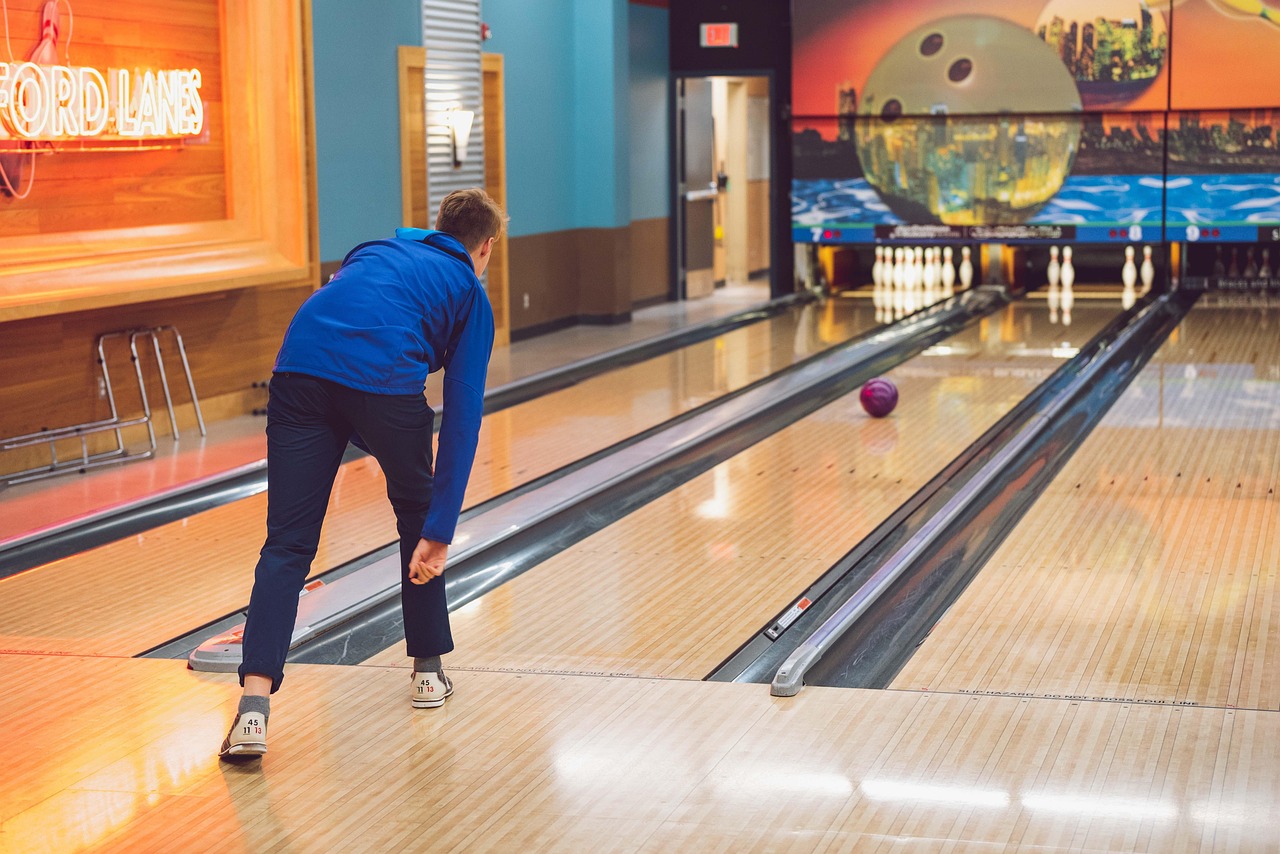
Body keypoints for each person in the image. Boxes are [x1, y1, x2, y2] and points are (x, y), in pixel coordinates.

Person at [219, 188, 505, 759]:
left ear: (437, 227)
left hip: (296, 373)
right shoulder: (470, 290)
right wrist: (440, 527)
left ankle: (252, 710)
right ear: (486, 248)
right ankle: (428, 673)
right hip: (383, 385)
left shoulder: (373, 250)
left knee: (287, 544)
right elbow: (463, 416)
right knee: (416, 515)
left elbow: (340, 327)